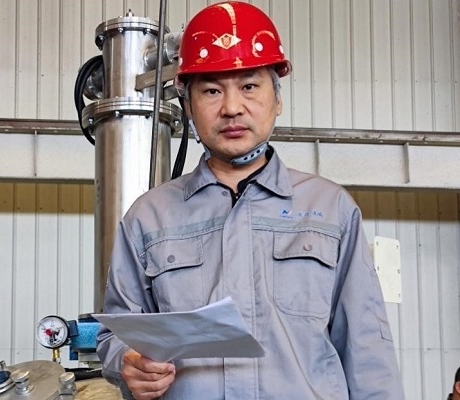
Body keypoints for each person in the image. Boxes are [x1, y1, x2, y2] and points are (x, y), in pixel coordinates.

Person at [96, 2, 405, 399]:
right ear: (188, 106)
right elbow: (116, 332)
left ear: (277, 99)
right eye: (211, 90)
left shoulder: (331, 209)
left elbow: (368, 351)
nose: (231, 108)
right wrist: (127, 361)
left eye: (249, 86)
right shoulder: (149, 217)